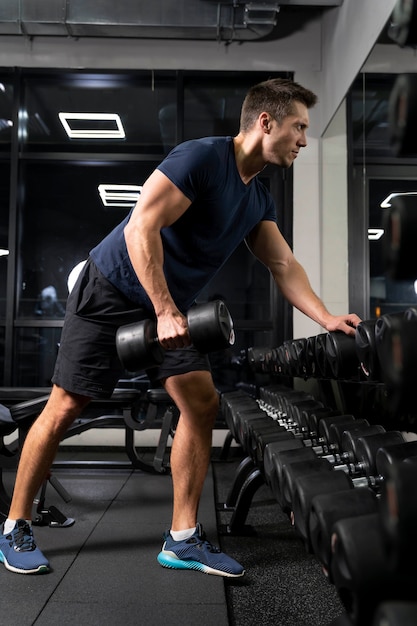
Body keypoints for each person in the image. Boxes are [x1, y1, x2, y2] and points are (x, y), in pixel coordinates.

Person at [0, 78, 361, 577]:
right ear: (265, 122)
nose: (303, 139)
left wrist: (327, 318)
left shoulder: (256, 197)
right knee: (66, 405)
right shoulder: (201, 159)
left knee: (200, 401)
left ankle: (183, 539)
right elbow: (139, 227)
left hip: (165, 307)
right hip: (110, 290)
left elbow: (283, 266)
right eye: (299, 127)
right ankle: (14, 526)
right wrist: (167, 310)